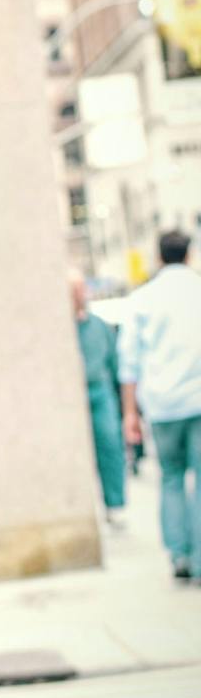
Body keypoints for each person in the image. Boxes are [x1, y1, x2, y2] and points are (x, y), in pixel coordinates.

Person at [119, 230, 201, 582]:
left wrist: (129, 412)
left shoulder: (143, 299)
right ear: (189, 255)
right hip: (198, 402)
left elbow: (128, 361)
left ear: (158, 257)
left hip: (163, 404)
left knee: (170, 478)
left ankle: (178, 555)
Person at [71, 272, 125, 526]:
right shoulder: (64, 329)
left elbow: (115, 363)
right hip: (73, 395)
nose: (81, 294)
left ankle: (114, 504)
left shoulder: (98, 326)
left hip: (101, 391)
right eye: (76, 290)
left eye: (82, 289)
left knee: (110, 446)